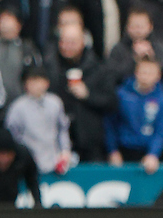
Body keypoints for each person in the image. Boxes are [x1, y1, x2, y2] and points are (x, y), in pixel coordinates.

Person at [45, 23, 117, 162]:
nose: (67, 46)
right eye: (64, 41)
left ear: (83, 42)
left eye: (72, 42)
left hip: (90, 143)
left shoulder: (98, 68)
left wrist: (88, 95)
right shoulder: (50, 66)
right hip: (57, 141)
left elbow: (112, 102)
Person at [105, 56, 163, 173]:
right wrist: (112, 150)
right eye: (143, 72)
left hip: (147, 153)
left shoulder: (162, 99)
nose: (146, 77)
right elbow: (110, 124)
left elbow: (162, 130)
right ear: (136, 73)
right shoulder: (121, 94)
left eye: (150, 73)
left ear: (158, 76)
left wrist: (153, 154)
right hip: (123, 151)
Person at [5, 67, 72, 175]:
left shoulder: (55, 103)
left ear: (47, 83)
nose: (36, 85)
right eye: (31, 81)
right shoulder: (18, 107)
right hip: (28, 161)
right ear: (25, 84)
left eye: (39, 81)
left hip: (54, 160)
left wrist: (65, 152)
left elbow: (62, 129)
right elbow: (12, 134)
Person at [108, 8, 163, 84]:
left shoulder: (159, 47)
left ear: (150, 27)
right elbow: (111, 75)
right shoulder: (119, 49)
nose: (138, 30)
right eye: (134, 26)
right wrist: (134, 60)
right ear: (127, 27)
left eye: (141, 26)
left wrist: (153, 57)